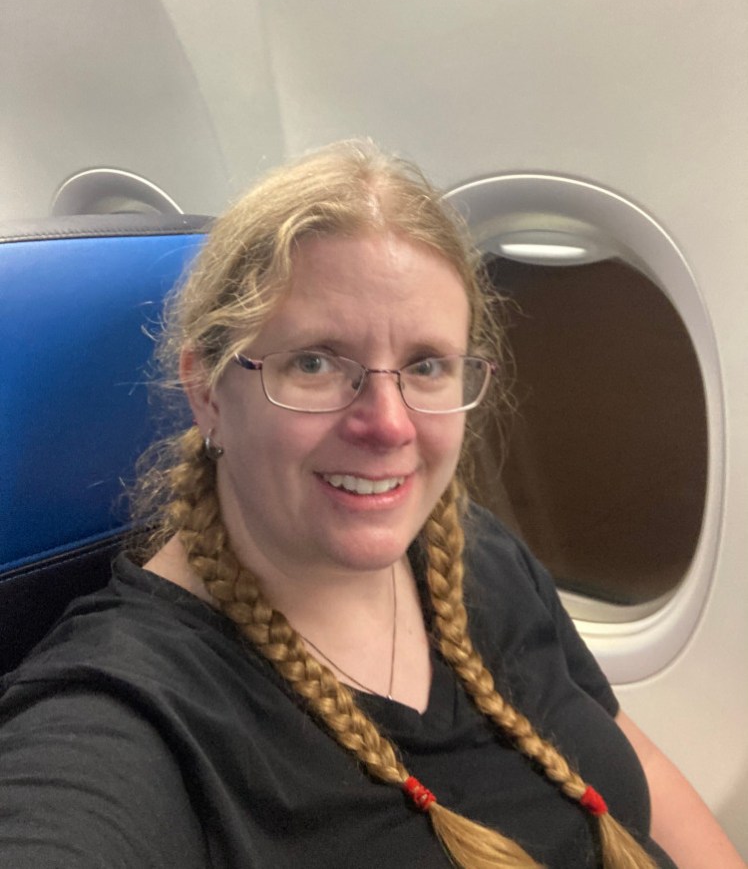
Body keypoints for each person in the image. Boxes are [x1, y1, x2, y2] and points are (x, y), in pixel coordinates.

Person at [0, 140, 743, 869]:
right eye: (316, 362)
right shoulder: (128, 718)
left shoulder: (475, 550)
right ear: (207, 392)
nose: (388, 424)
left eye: (426, 365)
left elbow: (632, 762)